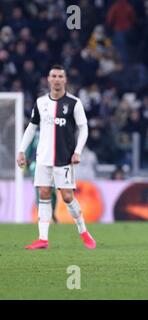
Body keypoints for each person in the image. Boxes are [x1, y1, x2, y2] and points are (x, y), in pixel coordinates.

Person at [17, 65, 96, 250]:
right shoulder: (41, 102)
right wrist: (21, 150)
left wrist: (78, 151)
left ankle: (84, 232)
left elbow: (84, 128)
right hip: (43, 158)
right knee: (43, 193)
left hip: (64, 159)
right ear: (49, 79)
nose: (57, 79)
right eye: (54, 76)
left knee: (68, 197)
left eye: (61, 76)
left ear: (65, 80)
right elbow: (31, 127)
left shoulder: (74, 103)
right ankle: (43, 239)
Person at [25, 130, 58, 224]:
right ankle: (43, 218)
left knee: (53, 192)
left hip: (52, 164)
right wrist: (27, 161)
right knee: (40, 191)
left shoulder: (53, 129)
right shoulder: (34, 132)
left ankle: (52, 213)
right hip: (36, 164)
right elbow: (29, 147)